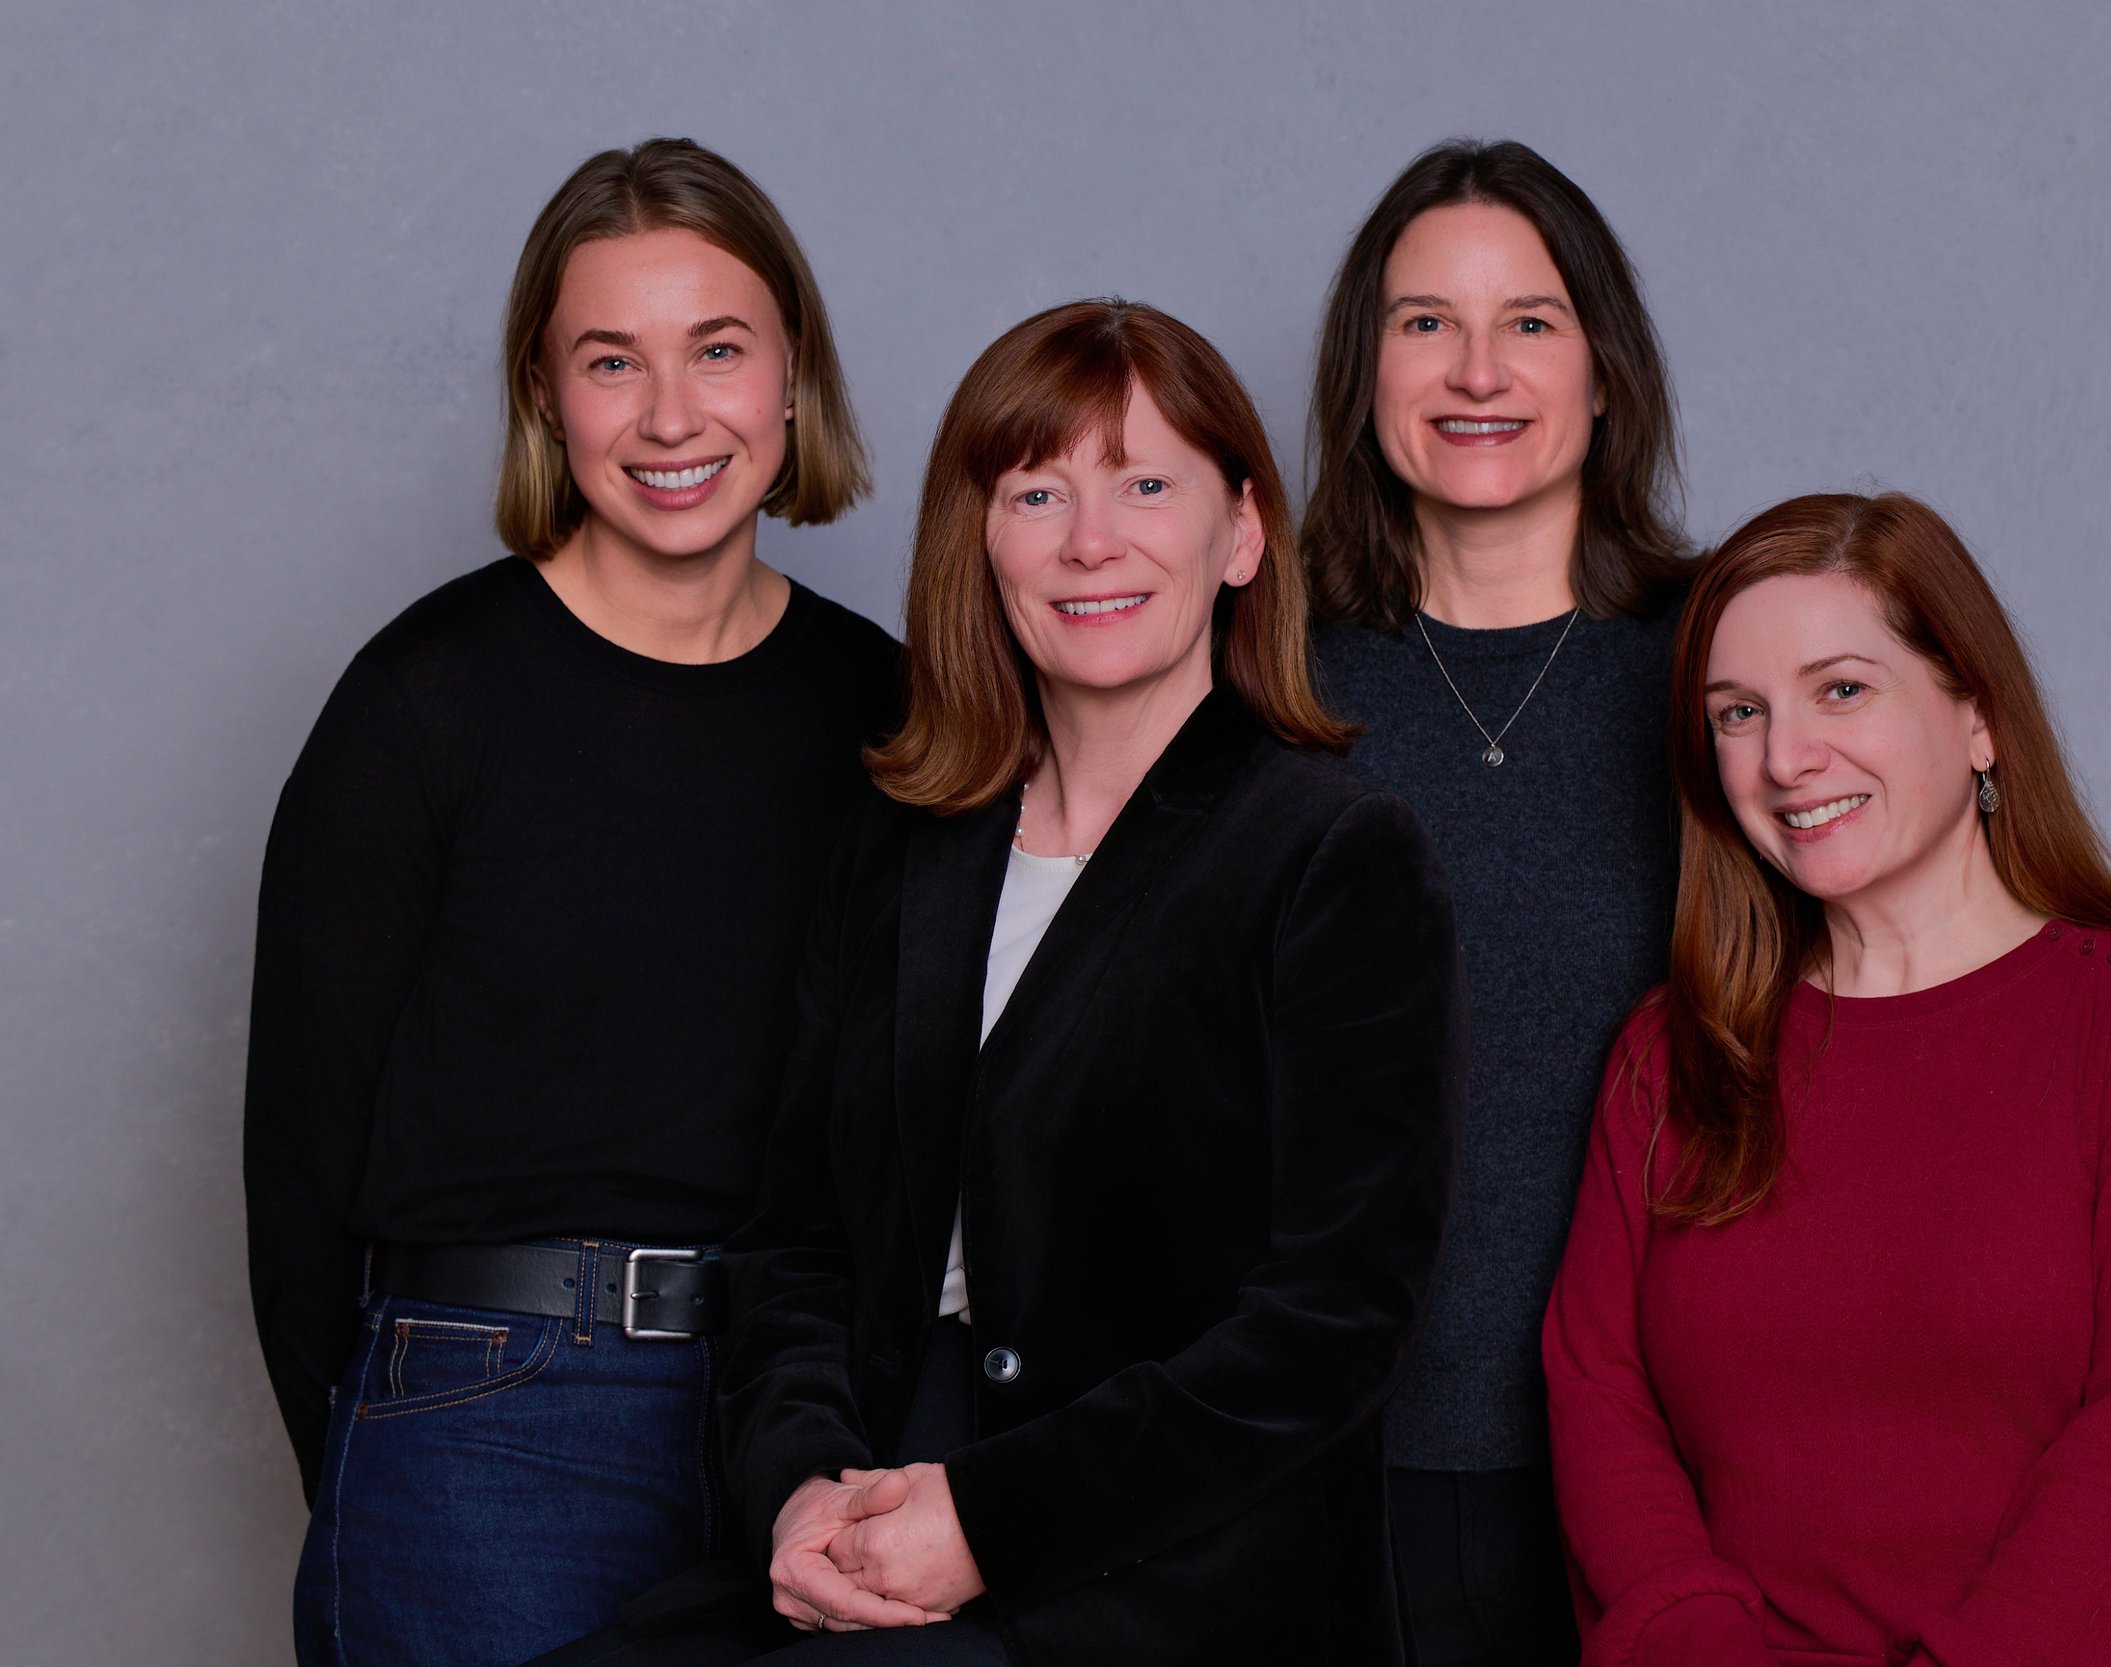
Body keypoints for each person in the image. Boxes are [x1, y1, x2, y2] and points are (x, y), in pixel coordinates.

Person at [536, 298, 1466, 1667]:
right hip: (875, 1482)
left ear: (1242, 534)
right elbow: (799, 1246)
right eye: (1037, 492)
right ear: (980, 539)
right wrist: (799, 1487)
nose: (1090, 540)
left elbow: (1336, 1318)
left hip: (1168, 1555)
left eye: (1145, 484)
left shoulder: (1333, 856)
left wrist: (987, 1519)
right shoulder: (904, 847)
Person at [244, 137, 898, 1667]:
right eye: (612, 360)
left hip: (809, 1425)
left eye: (717, 349)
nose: (671, 414)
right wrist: (373, 1469)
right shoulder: (424, 704)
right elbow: (299, 1159)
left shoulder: (890, 711)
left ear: (793, 376)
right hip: (490, 1425)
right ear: (546, 399)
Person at [1544, 491, 2111, 1666]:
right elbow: (1598, 1393)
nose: (1786, 757)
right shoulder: (1671, 1051)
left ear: (1977, 714)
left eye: (1841, 688)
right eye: (1738, 712)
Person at [1301, 137, 1699, 1665]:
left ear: (1604, 371)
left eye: (1530, 320)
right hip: (1325, 1464)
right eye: (1427, 322)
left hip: (1662, 1460)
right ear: (1365, 370)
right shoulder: (1262, 676)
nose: (1479, 371)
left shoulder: (1723, 669)